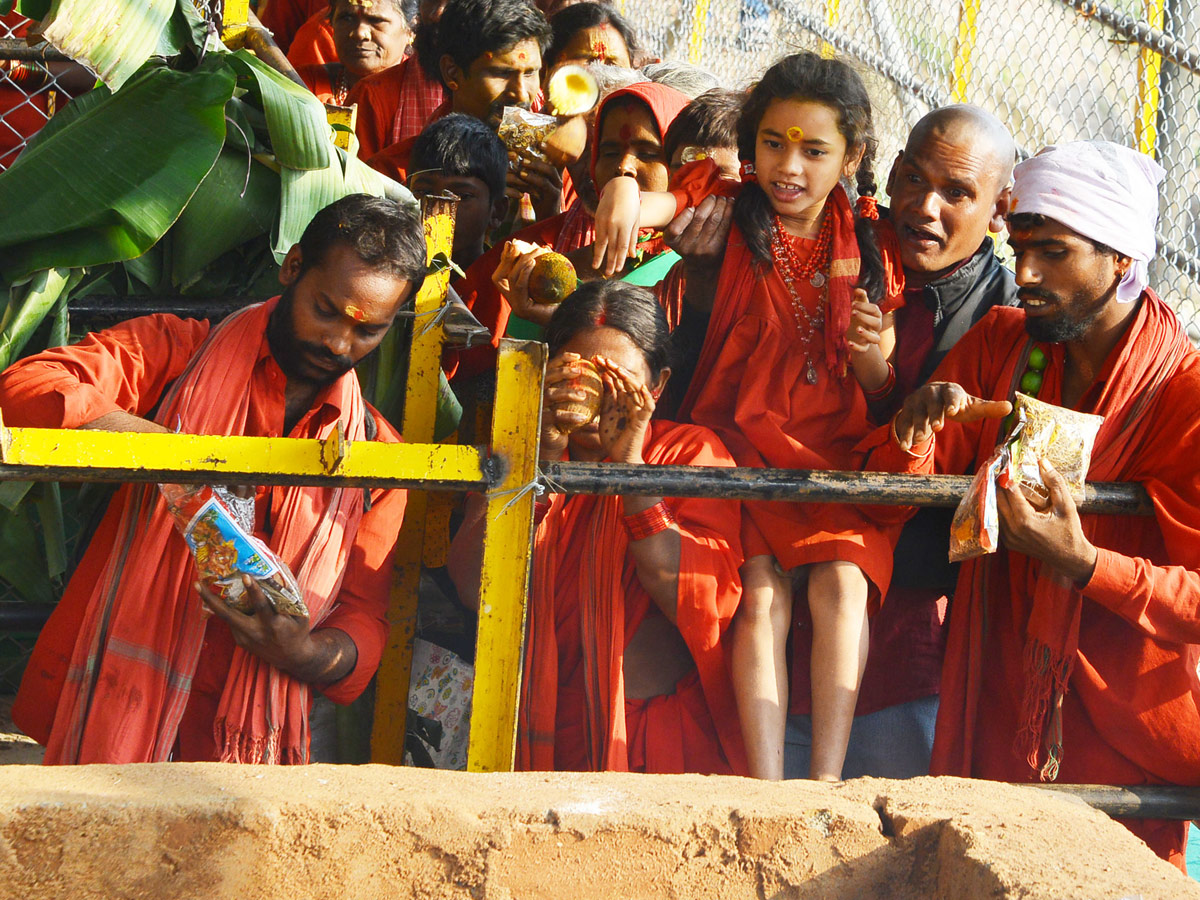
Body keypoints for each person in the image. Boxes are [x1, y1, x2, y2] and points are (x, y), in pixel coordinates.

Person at [2, 194, 427, 765]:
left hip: (244, 741)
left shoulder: (377, 457)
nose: (338, 344)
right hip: (117, 699)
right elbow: (27, 384)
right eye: (326, 310)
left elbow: (363, 617)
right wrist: (173, 453)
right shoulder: (175, 354)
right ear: (293, 267)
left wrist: (305, 653)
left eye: (367, 332)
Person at [870, 141, 1200, 871]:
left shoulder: (1184, 394)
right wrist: (917, 427)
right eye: (1019, 246)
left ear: (1120, 259)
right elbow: (901, 490)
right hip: (995, 684)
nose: (1023, 275)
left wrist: (1084, 563)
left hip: (1119, 736)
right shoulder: (1003, 344)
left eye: (1053, 252)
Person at [590, 51, 905, 782]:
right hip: (739, 451)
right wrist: (622, 193)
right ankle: (767, 791)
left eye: (814, 150)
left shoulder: (871, 243)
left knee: (841, 584)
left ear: (851, 156)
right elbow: (659, 207)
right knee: (760, 593)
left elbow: (879, 382)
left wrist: (868, 355)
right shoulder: (731, 203)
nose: (788, 166)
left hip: (832, 458)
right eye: (772, 142)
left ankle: (824, 785)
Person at [783, 105, 1019, 779]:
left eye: (957, 193)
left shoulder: (1005, 322)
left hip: (908, 629)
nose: (923, 207)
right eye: (912, 179)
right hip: (782, 587)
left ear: (999, 209)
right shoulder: (840, 250)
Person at [448, 280, 746, 774]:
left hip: (656, 741)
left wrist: (631, 466)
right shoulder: (519, 453)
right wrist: (540, 452)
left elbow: (696, 602)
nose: (602, 397)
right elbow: (468, 584)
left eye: (621, 381)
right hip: (532, 730)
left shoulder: (692, 454)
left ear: (658, 386)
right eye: (582, 374)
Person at [449, 79, 688, 380]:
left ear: (683, 166)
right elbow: (517, 388)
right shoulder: (553, 268)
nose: (624, 167)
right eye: (610, 152)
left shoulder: (693, 268)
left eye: (649, 153)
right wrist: (537, 316)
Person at [362, 0, 551, 182]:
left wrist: (551, 212)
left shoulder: (549, 167)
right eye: (501, 74)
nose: (520, 94)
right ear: (452, 73)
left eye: (530, 73)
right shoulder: (394, 175)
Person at [407, 113, 508, 271]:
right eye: (424, 192)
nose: (438, 210)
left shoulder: (506, 288)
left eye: (462, 196)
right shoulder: (390, 283)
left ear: (496, 212)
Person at [295, 0, 412, 105]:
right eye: (346, 18)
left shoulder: (422, 93)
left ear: (411, 30)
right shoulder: (305, 86)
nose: (359, 33)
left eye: (376, 20)